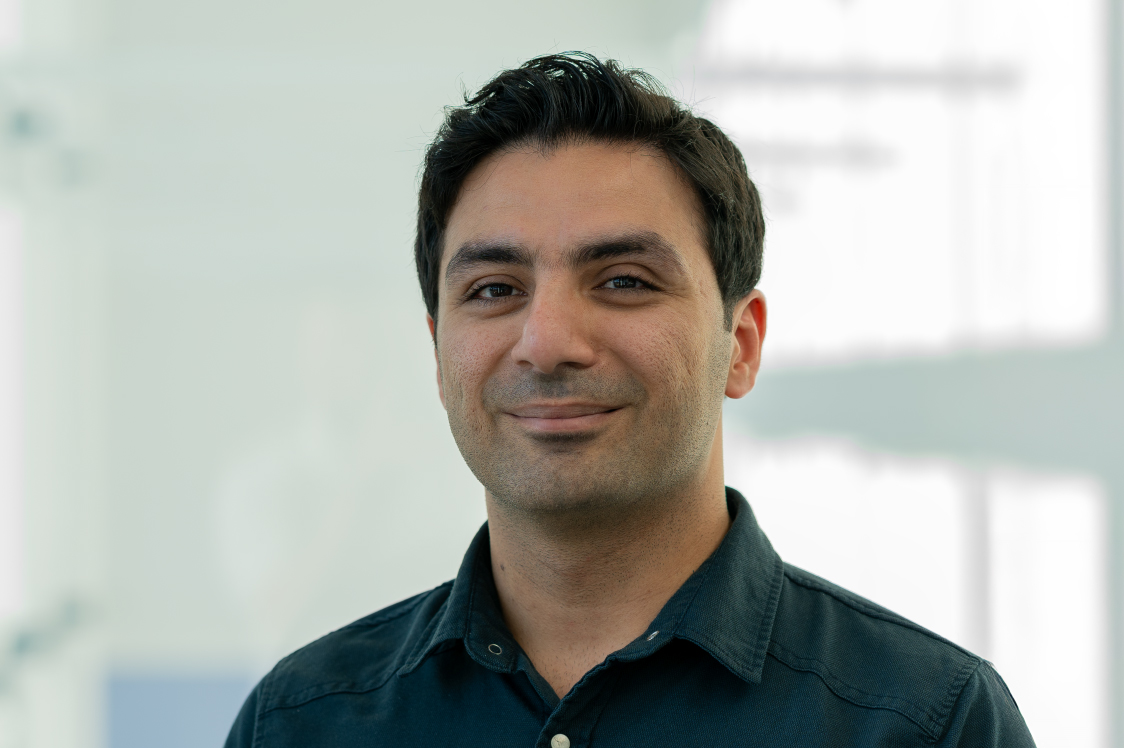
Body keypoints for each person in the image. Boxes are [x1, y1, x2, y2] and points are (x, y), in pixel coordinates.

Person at [224, 52, 1034, 747]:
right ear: (439, 354)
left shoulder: (925, 724)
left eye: (623, 281)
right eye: (495, 288)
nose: (547, 342)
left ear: (741, 344)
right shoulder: (300, 725)